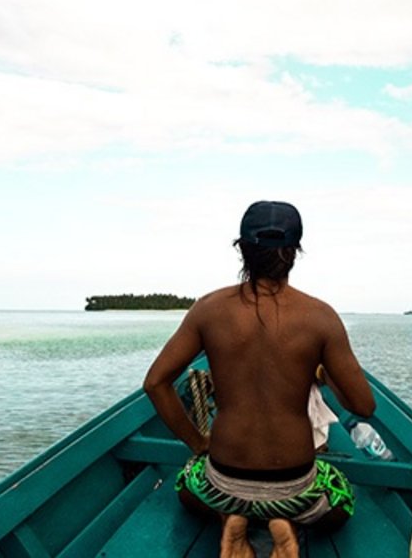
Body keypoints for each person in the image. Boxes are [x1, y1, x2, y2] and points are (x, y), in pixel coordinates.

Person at [143, 200, 375, 558]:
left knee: (188, 486)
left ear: (242, 249)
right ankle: (287, 523)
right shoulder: (321, 317)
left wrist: (197, 442)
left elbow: (156, 383)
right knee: (340, 500)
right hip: (294, 485)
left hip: (225, 480)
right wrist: (325, 373)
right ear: (295, 252)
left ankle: (230, 520)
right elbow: (363, 405)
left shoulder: (208, 308)